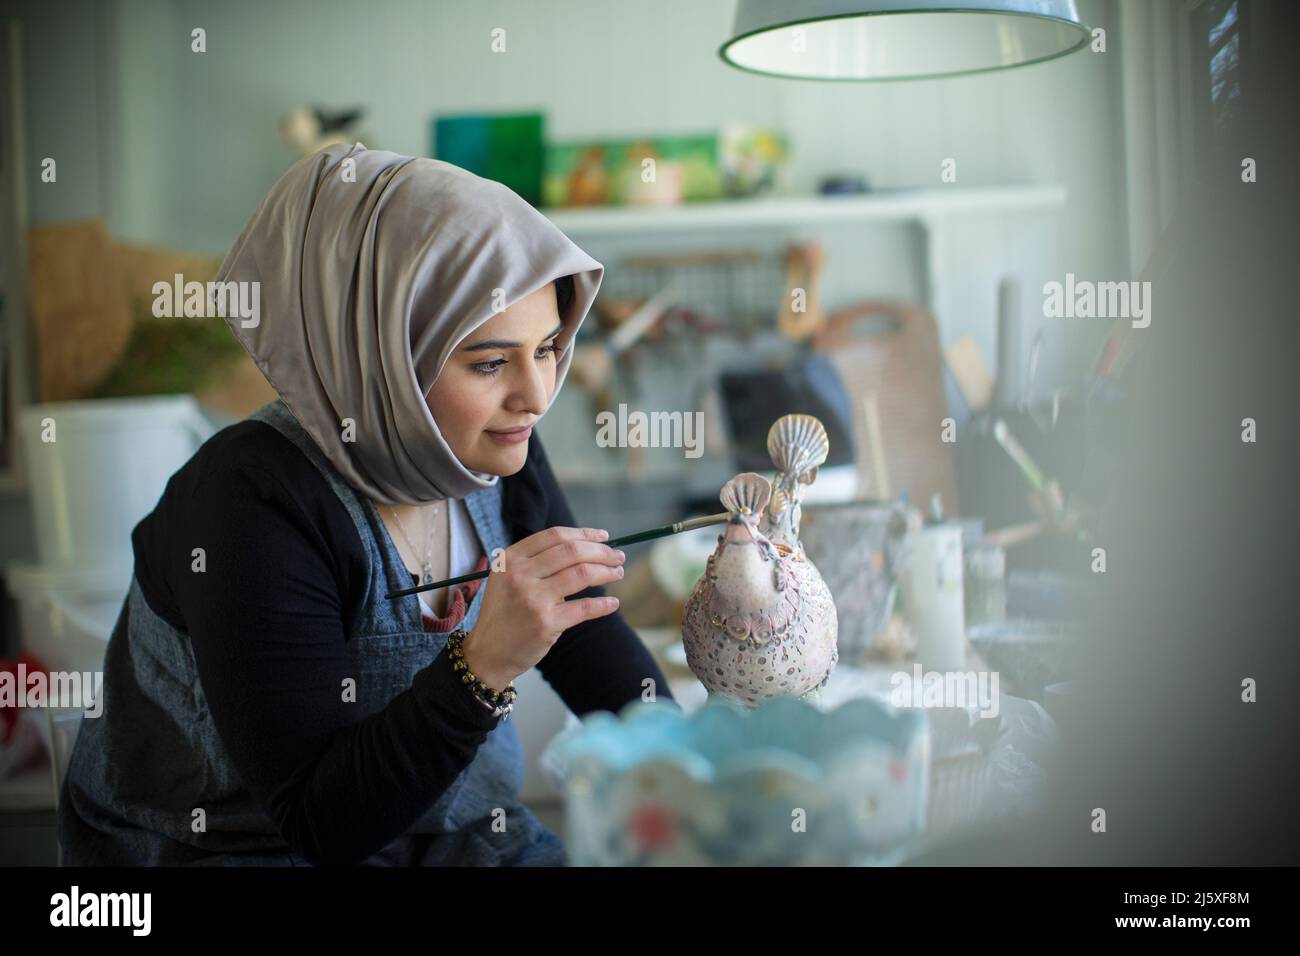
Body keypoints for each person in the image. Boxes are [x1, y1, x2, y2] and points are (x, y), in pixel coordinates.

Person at [57, 142, 674, 866]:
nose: (537, 397)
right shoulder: (250, 502)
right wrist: (483, 662)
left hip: (451, 837)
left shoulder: (495, 444)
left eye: (546, 349)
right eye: (488, 362)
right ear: (380, 353)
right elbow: (321, 821)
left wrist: (694, 770)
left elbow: (583, 630)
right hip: (235, 850)